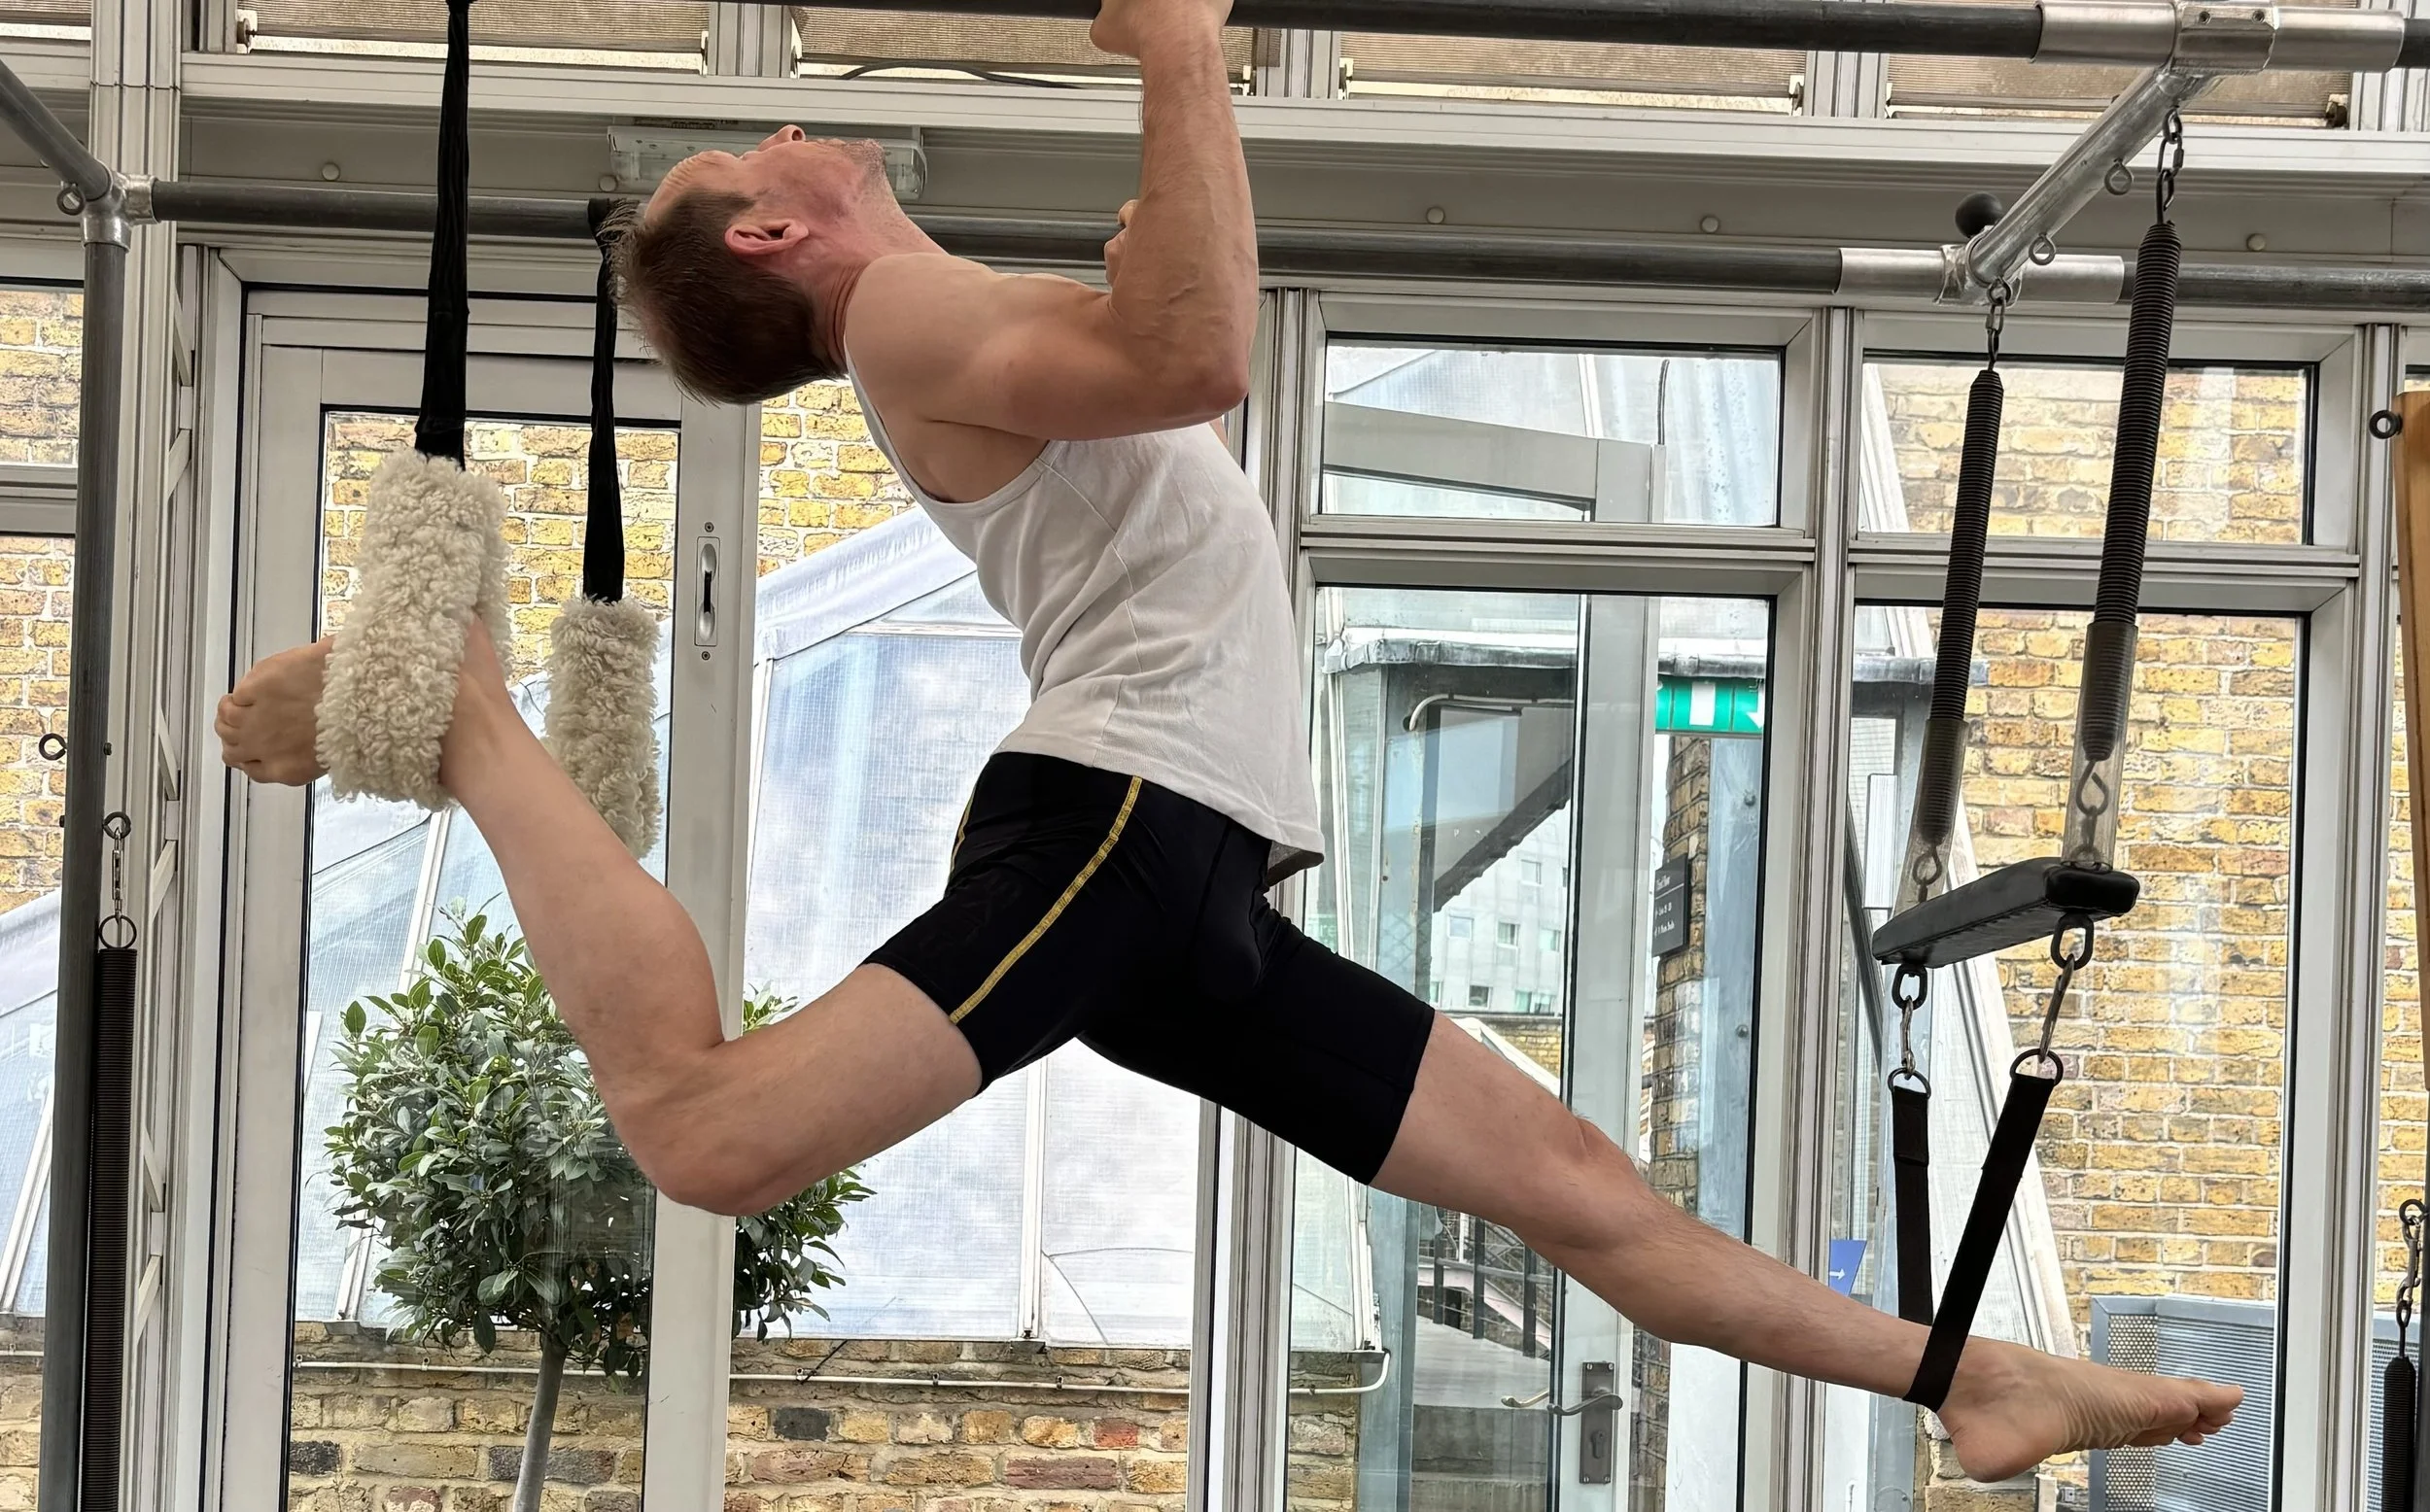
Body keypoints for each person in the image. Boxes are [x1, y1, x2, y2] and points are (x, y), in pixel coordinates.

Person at [218, 0, 2240, 1479]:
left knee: (1573, 1184)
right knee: (704, 1130)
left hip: (1181, 879)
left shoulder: (957, 327)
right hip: (1118, 818)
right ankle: (474, 728)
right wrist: (1182, 49)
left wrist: (1174, 101)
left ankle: (1956, 1374)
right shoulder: (903, 322)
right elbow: (1195, 346)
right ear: (768, 238)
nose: (801, 135)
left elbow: (1162, 321)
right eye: (749, 160)